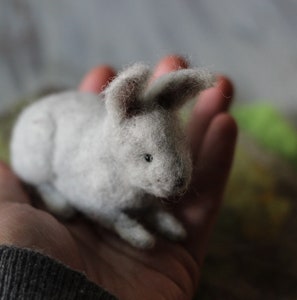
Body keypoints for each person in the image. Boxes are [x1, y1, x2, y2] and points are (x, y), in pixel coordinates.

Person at [0, 55, 237, 300]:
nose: (178, 179)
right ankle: (49, 187)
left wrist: (157, 212)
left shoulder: (148, 138)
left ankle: (157, 217)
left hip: (83, 112)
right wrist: (123, 225)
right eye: (147, 158)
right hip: (49, 127)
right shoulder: (94, 171)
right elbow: (88, 198)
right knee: (40, 163)